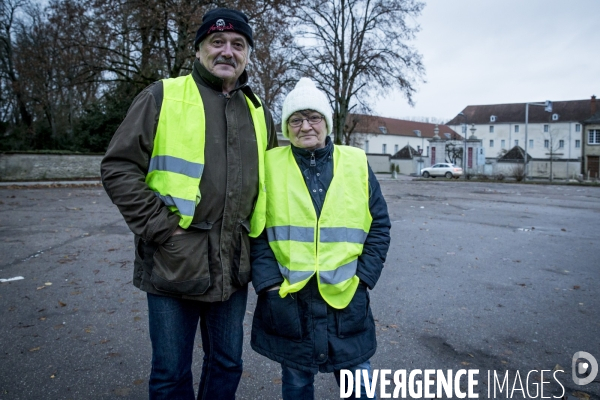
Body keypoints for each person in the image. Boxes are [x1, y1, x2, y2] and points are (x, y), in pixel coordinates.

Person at [100, 8, 278, 400]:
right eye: (217, 42)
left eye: (238, 44)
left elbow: (271, 190)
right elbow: (118, 167)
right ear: (198, 50)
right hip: (172, 264)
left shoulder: (260, 113)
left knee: (227, 365)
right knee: (170, 375)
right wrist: (162, 230)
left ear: (248, 54)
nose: (227, 51)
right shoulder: (162, 95)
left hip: (232, 270)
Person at [250, 78, 391, 399]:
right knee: (297, 382)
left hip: (345, 298)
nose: (306, 126)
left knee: (358, 385)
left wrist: (364, 278)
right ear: (286, 127)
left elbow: (379, 226)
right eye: (295, 120)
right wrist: (269, 285)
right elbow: (256, 232)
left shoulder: (356, 162)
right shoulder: (269, 166)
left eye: (314, 117)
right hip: (290, 300)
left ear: (326, 122)